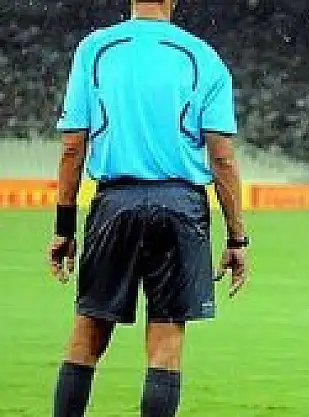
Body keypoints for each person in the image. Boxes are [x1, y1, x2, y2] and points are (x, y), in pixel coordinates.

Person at [47, 1, 249, 416]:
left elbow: (72, 147)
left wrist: (64, 228)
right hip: (180, 207)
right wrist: (236, 238)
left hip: (114, 202)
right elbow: (222, 157)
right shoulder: (202, 56)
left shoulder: (95, 50)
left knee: (87, 333)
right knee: (165, 343)